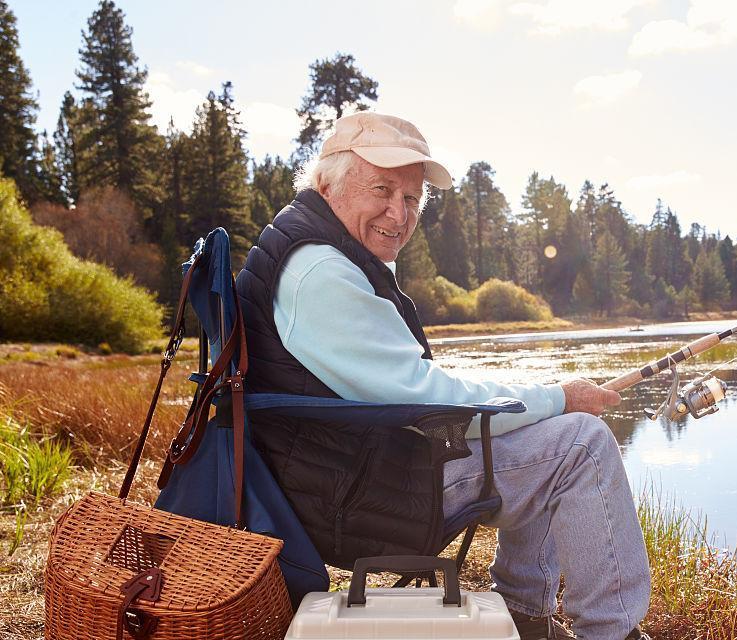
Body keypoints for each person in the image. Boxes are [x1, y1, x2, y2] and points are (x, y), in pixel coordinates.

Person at [235, 111, 651, 640]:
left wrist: (537, 404)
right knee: (581, 445)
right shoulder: (321, 272)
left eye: (410, 200)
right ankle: (610, 632)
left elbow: (400, 384)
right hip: (353, 494)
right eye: (382, 190)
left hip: (337, 471)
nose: (398, 213)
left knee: (540, 431)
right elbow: (426, 399)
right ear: (326, 183)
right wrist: (557, 396)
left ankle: (523, 612)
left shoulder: (320, 249)